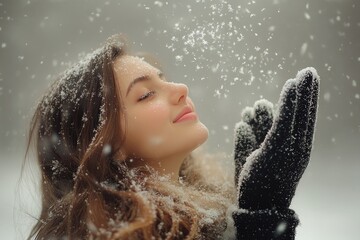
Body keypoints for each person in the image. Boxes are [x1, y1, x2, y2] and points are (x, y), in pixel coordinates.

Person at [25, 34, 319, 240]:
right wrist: (262, 221)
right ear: (106, 146)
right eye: (146, 94)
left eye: (163, 78)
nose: (181, 88)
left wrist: (251, 210)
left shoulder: (203, 219)